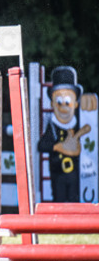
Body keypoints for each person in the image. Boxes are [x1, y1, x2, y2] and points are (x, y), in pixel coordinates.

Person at [38, 66, 91, 202]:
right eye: (59, 102)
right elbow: (42, 145)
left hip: (76, 175)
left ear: (75, 104)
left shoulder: (78, 121)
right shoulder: (53, 126)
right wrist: (58, 147)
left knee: (74, 201)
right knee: (59, 200)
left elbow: (90, 126)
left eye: (67, 101)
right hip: (58, 174)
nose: (63, 107)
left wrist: (90, 102)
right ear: (52, 103)